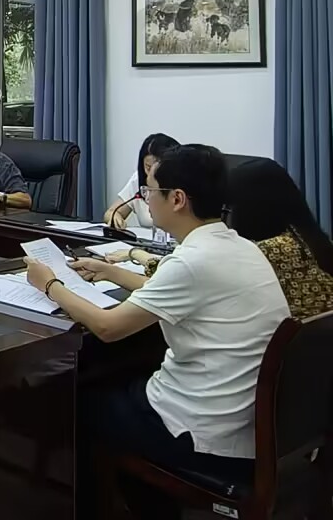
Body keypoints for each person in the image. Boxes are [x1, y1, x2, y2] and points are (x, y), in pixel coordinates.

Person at [24, 145, 289, 519]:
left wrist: (50, 284)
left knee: (75, 402)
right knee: (122, 376)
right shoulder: (239, 246)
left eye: (149, 190)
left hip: (203, 433)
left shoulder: (192, 261)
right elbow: (177, 290)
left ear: (177, 199)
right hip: (250, 424)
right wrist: (110, 271)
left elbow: (108, 327)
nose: (144, 198)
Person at [113, 156, 333, 319]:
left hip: (279, 359)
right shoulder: (304, 239)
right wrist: (137, 254)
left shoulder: (263, 251)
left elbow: (182, 280)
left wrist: (122, 264)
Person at [103, 133, 180, 229]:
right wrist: (115, 217)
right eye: (148, 167)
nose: (151, 173)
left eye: (157, 168)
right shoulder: (138, 180)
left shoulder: (181, 183)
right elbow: (111, 212)